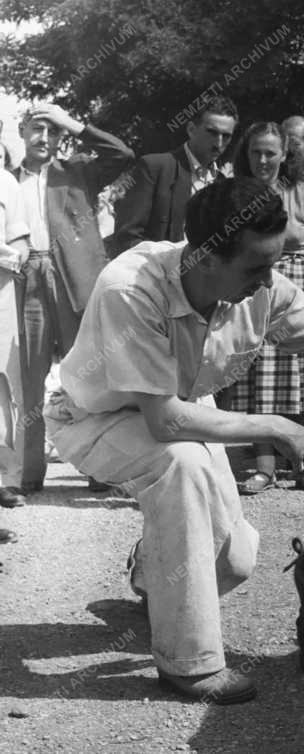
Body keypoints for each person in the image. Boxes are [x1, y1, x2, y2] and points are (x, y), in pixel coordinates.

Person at [44, 177, 304, 704]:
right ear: (205, 257)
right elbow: (165, 423)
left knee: (234, 559)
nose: (269, 282)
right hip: (93, 417)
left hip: (184, 415)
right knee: (184, 467)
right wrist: (275, 425)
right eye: (257, 267)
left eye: (274, 263)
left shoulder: (261, 286)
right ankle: (188, 665)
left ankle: (151, 572)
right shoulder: (131, 286)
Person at [13, 103, 134, 494]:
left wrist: (73, 123)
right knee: (28, 376)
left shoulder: (77, 172)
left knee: (86, 374)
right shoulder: (6, 180)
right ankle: (27, 474)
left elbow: (122, 154)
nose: (43, 137)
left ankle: (98, 470)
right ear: (21, 131)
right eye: (36, 129)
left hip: (73, 281)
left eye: (52, 131)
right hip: (22, 277)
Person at [227, 122, 304, 494]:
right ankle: (264, 469)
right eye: (255, 152)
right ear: (246, 155)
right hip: (253, 284)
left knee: (301, 375)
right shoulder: (238, 193)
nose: (263, 160)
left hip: (299, 282)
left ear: (284, 155)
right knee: (257, 373)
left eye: (270, 153)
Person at [111, 95, 237, 255]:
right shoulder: (155, 168)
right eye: (212, 132)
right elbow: (126, 238)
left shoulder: (223, 185)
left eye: (226, 136)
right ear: (191, 129)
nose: (219, 143)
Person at [0, 157, 30, 509]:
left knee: (1, 383)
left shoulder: (6, 182)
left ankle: (3, 478)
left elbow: (20, 246)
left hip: (0, 293)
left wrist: (9, 257)